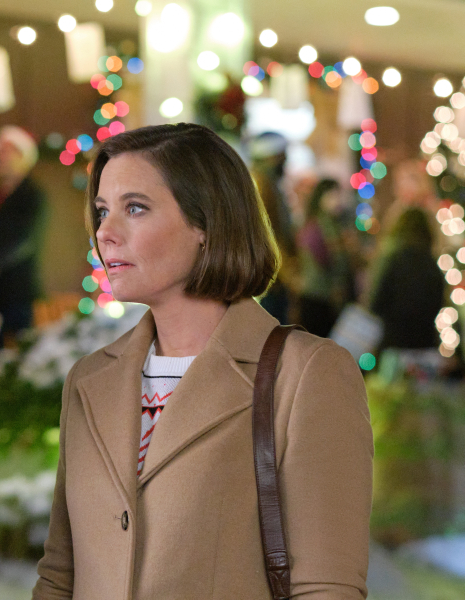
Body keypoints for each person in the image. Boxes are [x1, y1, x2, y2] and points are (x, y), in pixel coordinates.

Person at [33, 124, 372, 599]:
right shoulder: (88, 379)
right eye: (102, 211)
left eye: (135, 208)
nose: (105, 233)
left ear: (206, 225)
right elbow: (59, 575)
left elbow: (326, 587)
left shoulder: (308, 374)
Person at [0, 125, 48, 345]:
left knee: (20, 349)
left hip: (18, 292)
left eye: (6, 151)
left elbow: (27, 239)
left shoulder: (33, 195)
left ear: (23, 157)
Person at [370, 207, 446, 351]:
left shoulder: (392, 262)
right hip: (425, 345)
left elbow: (376, 304)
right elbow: (439, 303)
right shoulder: (433, 266)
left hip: (394, 346)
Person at [250, 131, 297, 325]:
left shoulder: (268, 183)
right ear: (271, 156)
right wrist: (288, 273)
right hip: (271, 279)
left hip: (273, 275)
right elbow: (269, 233)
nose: (286, 160)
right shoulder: (262, 184)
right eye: (282, 155)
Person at [295, 178, 352, 337]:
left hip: (317, 294)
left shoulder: (327, 223)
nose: (338, 200)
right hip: (319, 296)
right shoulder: (321, 226)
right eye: (333, 195)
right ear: (321, 198)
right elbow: (328, 260)